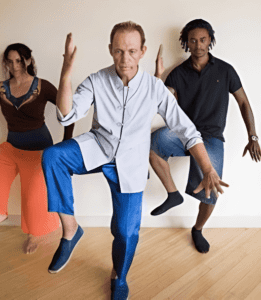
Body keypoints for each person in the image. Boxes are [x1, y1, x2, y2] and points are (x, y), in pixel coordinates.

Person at [41, 21, 228, 299]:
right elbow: (66, 115)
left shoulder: (155, 88)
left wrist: (208, 167)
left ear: (142, 51)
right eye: (118, 51)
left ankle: (119, 275)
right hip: (98, 147)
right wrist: (66, 72)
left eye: (131, 51)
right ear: (110, 50)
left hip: (131, 163)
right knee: (53, 156)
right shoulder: (97, 80)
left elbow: (187, 130)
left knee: (126, 233)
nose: (124, 59)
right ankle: (70, 230)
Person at [150, 19, 261, 254]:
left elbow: (243, 102)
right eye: (193, 40)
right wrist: (157, 79)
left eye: (202, 39)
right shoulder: (177, 74)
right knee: (152, 142)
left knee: (211, 192)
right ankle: (173, 194)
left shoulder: (225, 70)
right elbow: (162, 105)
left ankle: (197, 229)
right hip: (184, 134)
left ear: (210, 40)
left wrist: (253, 136)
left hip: (210, 138)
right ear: (186, 43)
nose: (198, 45)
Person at [0, 44, 74, 254]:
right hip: (12, 147)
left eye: (19, 60)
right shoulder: (1, 87)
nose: (14, 65)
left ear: (28, 61)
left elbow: (67, 112)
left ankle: (32, 235)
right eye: (10, 61)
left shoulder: (42, 86)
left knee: (32, 197)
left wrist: (66, 145)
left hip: (39, 151)